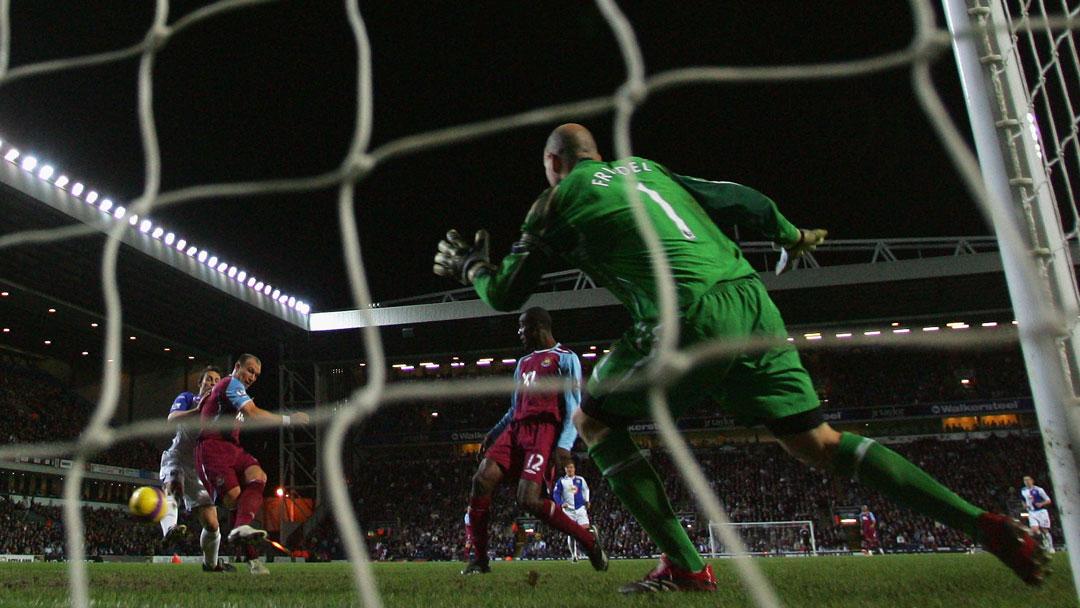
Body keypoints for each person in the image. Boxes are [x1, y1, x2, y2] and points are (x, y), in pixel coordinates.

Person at [433, 123, 1047, 591]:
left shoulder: (556, 200)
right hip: (752, 303)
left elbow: (507, 293)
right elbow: (737, 198)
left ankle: (684, 565)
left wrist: (472, 267)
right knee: (819, 444)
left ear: (552, 164)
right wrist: (787, 233)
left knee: (593, 422)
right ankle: (981, 524)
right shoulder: (646, 169)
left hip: (686, 316)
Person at [459, 307, 606, 575]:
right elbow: (514, 408)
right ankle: (479, 560)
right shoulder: (523, 363)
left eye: (522, 327)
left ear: (538, 327)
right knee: (481, 479)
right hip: (516, 430)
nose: (518, 332)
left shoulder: (565, 358)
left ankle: (588, 541)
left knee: (527, 499)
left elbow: (573, 403)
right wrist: (493, 434)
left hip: (544, 431)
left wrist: (564, 445)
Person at [195, 354, 309, 575]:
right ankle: (251, 557)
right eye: (249, 370)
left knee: (259, 476)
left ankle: (244, 537)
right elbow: (252, 413)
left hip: (232, 448)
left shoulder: (235, 391)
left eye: (256, 374)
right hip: (212, 448)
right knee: (234, 502)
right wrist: (289, 420)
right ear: (237, 367)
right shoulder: (230, 384)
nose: (252, 377)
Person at [158, 365, 235, 572]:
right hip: (177, 458)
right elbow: (171, 419)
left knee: (212, 524)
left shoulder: (220, 412)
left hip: (199, 469)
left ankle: (211, 565)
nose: (212, 382)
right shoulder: (187, 398)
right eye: (208, 379)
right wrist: (196, 410)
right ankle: (170, 529)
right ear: (200, 383)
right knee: (173, 486)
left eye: (216, 380)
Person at [552, 461, 591, 562]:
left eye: (571, 467)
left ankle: (587, 552)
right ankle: (574, 555)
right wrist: (560, 503)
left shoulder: (580, 479)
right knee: (571, 533)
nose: (570, 469)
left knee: (585, 530)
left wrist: (587, 500)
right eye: (568, 468)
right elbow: (556, 494)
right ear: (565, 469)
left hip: (580, 508)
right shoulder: (561, 481)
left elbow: (586, 490)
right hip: (568, 510)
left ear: (574, 469)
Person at [1021, 475, 1055, 553]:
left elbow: (1048, 500)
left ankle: (1051, 547)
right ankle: (1044, 542)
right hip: (1031, 512)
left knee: (1044, 529)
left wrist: (1041, 504)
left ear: (1032, 481)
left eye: (1028, 480)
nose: (1026, 482)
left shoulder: (1039, 490)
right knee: (1034, 529)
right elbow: (1023, 500)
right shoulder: (1023, 490)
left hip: (1041, 512)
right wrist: (1024, 505)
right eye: (1025, 481)